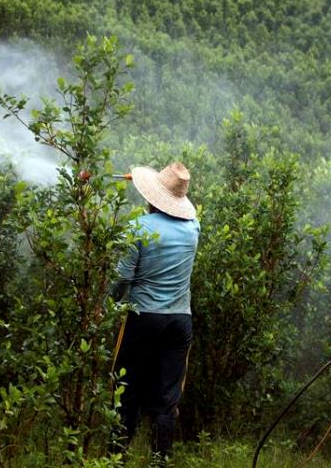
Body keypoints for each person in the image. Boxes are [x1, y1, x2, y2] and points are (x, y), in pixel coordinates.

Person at [110, 162, 200, 464]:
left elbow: (123, 277)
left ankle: (115, 459)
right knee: (167, 398)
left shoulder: (139, 227)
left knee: (126, 389)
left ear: (152, 196)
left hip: (143, 318)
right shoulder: (193, 228)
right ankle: (160, 460)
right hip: (180, 322)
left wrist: (106, 305)